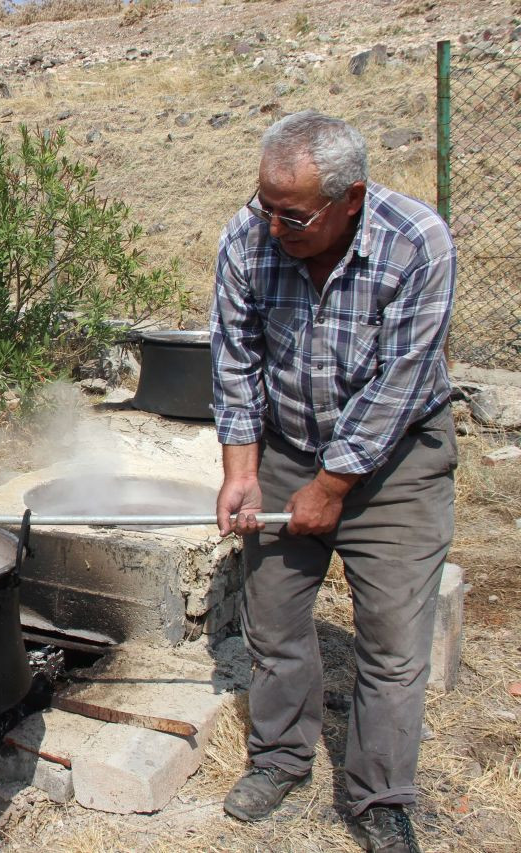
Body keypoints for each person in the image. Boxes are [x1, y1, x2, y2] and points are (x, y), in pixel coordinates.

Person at [210, 111, 456, 853]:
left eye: (294, 214)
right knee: (275, 619)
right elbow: (234, 361)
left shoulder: (417, 242)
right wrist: (243, 472)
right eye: (264, 204)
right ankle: (281, 758)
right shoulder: (249, 236)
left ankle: (379, 794)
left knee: (391, 640)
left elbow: (400, 383)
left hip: (399, 459)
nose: (273, 226)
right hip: (288, 441)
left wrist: (331, 488)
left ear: (350, 199)